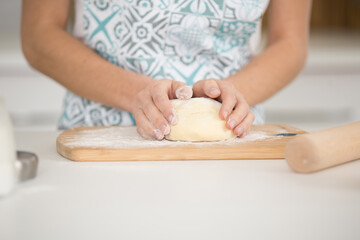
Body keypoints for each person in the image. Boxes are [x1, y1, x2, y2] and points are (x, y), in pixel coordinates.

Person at [21, 0, 312, 140]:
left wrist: (226, 98)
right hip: (101, 137)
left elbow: (290, 41)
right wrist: (141, 95)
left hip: (231, 137)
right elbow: (39, 35)